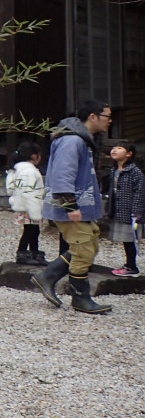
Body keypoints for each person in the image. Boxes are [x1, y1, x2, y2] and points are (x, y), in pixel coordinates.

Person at [35, 100, 114, 314]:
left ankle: (48, 275)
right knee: (83, 251)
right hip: (69, 207)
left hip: (80, 206)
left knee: (91, 242)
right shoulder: (72, 141)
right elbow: (62, 176)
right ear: (93, 116)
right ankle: (80, 298)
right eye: (107, 116)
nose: (110, 120)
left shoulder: (82, 140)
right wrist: (70, 206)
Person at [106, 141, 145, 278]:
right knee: (125, 239)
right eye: (113, 147)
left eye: (119, 148)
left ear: (129, 154)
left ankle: (131, 266)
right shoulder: (114, 169)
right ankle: (128, 264)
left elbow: (140, 192)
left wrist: (137, 212)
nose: (114, 150)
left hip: (130, 212)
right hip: (119, 210)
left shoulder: (135, 171)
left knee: (130, 239)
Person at [5, 141, 46, 266]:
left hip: (25, 205)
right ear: (34, 156)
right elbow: (29, 192)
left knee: (33, 231)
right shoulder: (29, 171)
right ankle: (22, 253)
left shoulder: (18, 169)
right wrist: (35, 211)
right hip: (30, 207)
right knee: (29, 231)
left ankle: (34, 252)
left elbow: (11, 189)